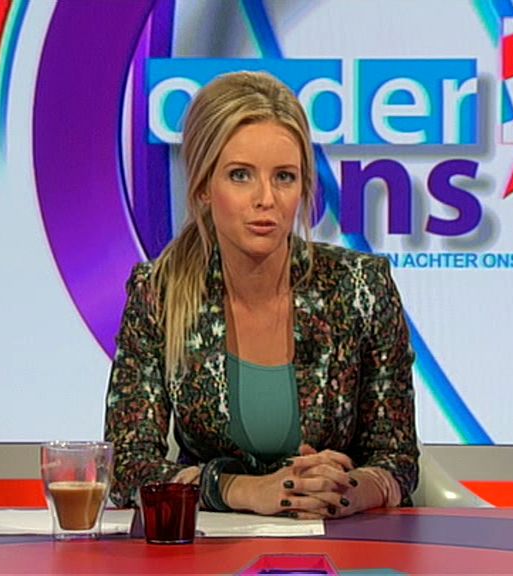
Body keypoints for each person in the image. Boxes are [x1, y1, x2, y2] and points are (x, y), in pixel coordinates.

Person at [105, 71, 418, 519]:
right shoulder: (159, 294)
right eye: (240, 175)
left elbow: (397, 459)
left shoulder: (361, 287)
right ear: (203, 187)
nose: (266, 198)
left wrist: (341, 491)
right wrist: (247, 491)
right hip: (210, 544)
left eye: (284, 177)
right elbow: (127, 468)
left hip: (340, 539)